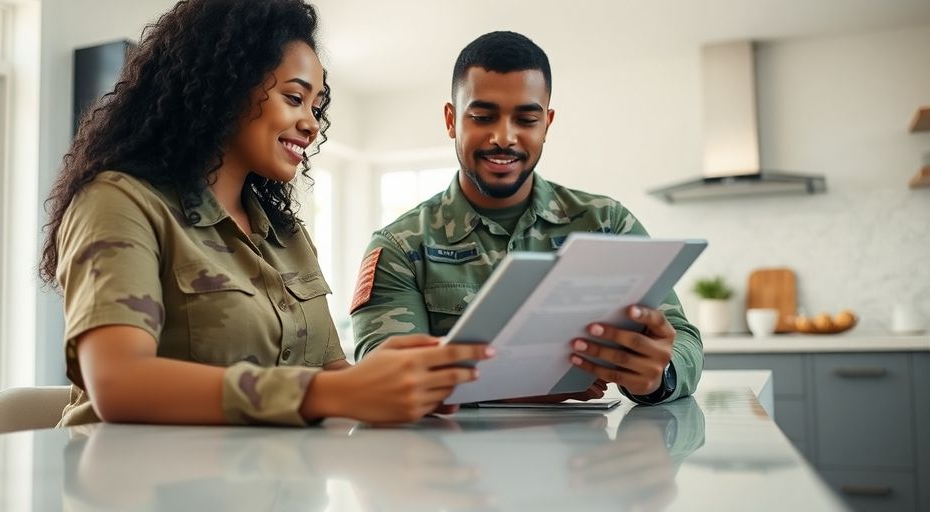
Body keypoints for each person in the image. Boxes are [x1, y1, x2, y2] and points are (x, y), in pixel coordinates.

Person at [40, 0, 492, 428]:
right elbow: (120, 384)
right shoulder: (121, 202)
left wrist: (409, 384)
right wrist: (326, 393)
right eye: (294, 99)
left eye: (316, 106)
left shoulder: (285, 233)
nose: (313, 123)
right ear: (226, 86)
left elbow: (333, 372)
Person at [350, 31, 702, 405]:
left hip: (587, 458)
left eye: (526, 119)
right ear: (452, 120)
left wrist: (657, 375)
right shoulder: (400, 246)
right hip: (450, 460)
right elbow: (385, 379)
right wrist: (524, 389)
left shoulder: (607, 224)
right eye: (483, 117)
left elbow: (681, 337)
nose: (504, 137)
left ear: (547, 124)